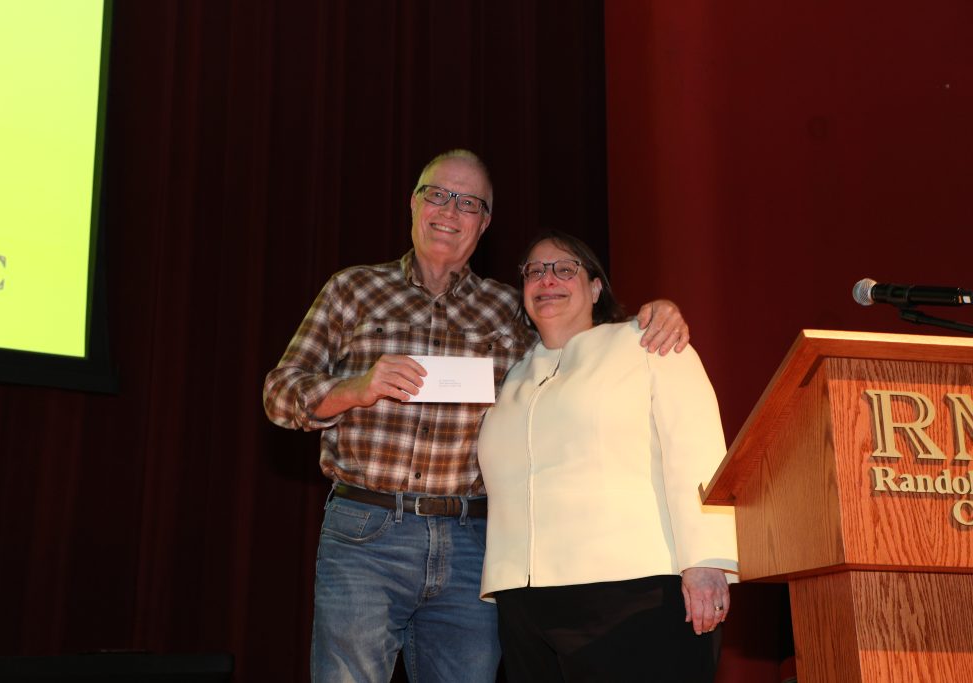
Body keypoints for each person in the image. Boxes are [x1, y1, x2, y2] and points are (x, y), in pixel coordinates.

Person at [262, 150, 690, 683]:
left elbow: (580, 345)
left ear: (484, 222)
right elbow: (279, 395)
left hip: (473, 541)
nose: (450, 210)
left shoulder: (511, 309)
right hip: (365, 533)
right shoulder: (351, 289)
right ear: (413, 203)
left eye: (469, 203)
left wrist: (656, 312)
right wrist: (356, 388)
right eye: (437, 194)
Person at [478, 229, 738, 683]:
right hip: (524, 604)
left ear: (596, 287)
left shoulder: (649, 343)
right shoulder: (511, 375)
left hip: (632, 595)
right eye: (534, 272)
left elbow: (698, 452)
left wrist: (708, 562)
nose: (548, 279)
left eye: (565, 268)